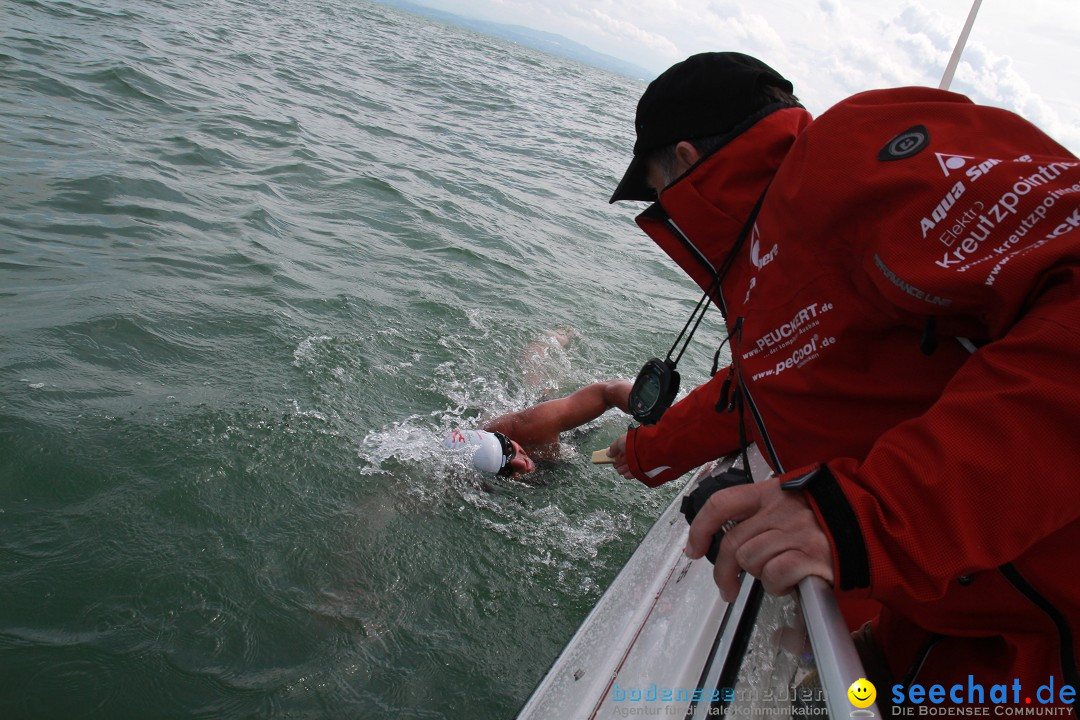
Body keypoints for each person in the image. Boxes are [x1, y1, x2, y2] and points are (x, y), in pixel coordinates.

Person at [603, 51, 1080, 703]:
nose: (662, 205)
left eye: (655, 184)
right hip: (949, 646)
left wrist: (871, 516)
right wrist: (637, 454)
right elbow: (768, 390)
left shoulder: (849, 162)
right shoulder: (769, 260)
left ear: (684, 160)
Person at [445, 379, 631, 477]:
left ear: (509, 440)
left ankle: (556, 336)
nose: (521, 463)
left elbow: (609, 390)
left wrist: (651, 425)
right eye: (507, 469)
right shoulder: (473, 481)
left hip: (536, 427)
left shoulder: (532, 426)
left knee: (537, 387)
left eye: (510, 450)